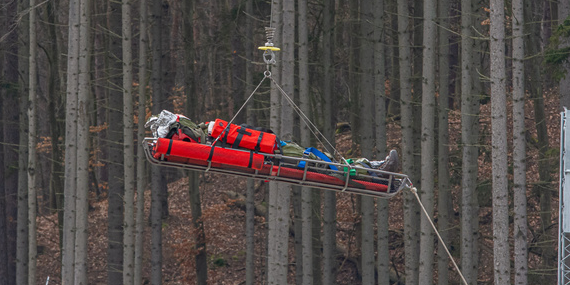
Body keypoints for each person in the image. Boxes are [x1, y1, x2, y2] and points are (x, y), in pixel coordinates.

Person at [146, 109, 400, 174]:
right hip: (276, 153)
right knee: (325, 165)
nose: (181, 137)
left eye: (179, 132)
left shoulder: (209, 134)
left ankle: (369, 167)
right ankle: (371, 169)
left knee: (324, 162)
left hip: (273, 149)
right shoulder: (208, 139)